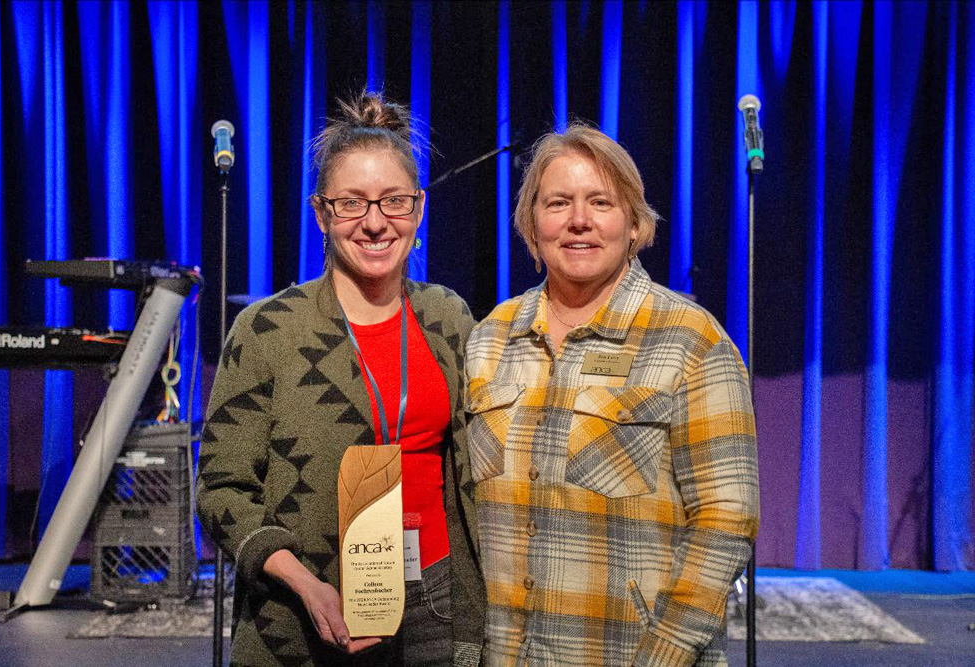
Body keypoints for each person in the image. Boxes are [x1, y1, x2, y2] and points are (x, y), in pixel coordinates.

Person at [197, 91, 484, 667]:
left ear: (419, 208)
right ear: (321, 213)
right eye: (351, 203)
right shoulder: (268, 329)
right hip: (306, 613)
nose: (375, 223)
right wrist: (305, 585)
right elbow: (221, 489)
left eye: (394, 202)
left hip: (437, 604)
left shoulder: (449, 317)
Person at [465, 124, 759, 666]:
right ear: (532, 224)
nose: (579, 220)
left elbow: (727, 516)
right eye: (558, 203)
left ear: (634, 223)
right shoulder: (490, 338)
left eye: (600, 202)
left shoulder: (691, 339)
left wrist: (664, 655)